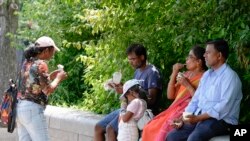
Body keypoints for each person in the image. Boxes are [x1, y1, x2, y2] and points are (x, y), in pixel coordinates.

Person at [166, 39, 243, 141]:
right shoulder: (207, 75)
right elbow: (196, 99)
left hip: (222, 121)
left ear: (219, 56)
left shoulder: (230, 76)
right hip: (202, 118)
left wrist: (198, 118)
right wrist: (183, 119)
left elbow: (224, 107)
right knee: (172, 137)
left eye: (208, 52)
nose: (204, 55)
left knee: (194, 138)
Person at [94, 43, 162, 141]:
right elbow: (132, 92)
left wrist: (126, 92)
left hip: (139, 112)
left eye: (133, 59)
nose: (131, 62)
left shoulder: (152, 73)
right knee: (98, 127)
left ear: (142, 57)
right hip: (129, 108)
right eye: (129, 59)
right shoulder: (137, 71)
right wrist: (122, 88)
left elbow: (152, 100)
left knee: (110, 129)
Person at [141, 45, 207, 141]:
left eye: (190, 57)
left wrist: (187, 84)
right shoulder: (186, 74)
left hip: (188, 110)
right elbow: (170, 95)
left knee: (166, 127)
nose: (186, 59)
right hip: (175, 108)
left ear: (198, 62)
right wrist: (174, 72)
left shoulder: (205, 77)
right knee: (149, 126)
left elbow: (201, 101)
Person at [16, 36, 67, 141]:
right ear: (47, 50)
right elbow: (48, 89)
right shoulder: (41, 64)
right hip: (32, 109)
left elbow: (32, 83)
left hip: (20, 108)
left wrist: (51, 76)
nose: (53, 54)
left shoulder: (27, 62)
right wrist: (58, 78)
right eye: (53, 51)